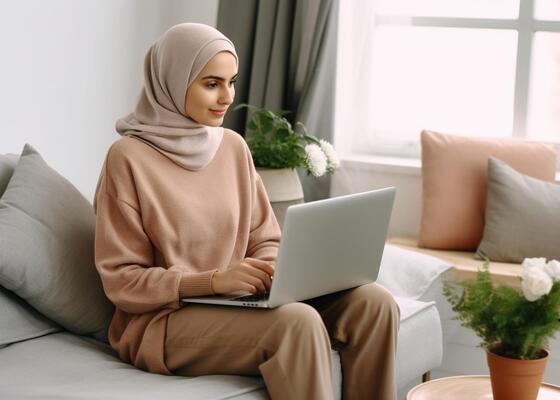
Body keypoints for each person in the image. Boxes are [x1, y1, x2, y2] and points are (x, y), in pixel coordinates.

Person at [93, 23, 400, 400]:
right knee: (296, 324)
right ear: (172, 81)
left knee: (375, 303)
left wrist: (272, 273)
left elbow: (266, 238)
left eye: (231, 82)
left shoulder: (233, 148)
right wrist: (212, 282)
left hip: (238, 301)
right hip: (163, 321)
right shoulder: (127, 158)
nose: (227, 97)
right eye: (211, 84)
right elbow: (121, 280)